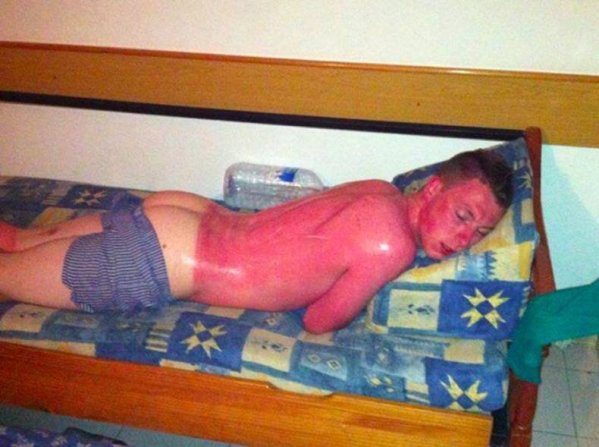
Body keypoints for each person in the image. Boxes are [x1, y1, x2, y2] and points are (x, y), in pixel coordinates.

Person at [0, 149, 512, 334]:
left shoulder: (380, 188)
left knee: (22, 242)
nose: (464, 239)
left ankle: (24, 238)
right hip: (174, 257)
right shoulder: (392, 245)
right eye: (463, 216)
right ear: (434, 188)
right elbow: (318, 321)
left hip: (192, 214)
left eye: (480, 233)